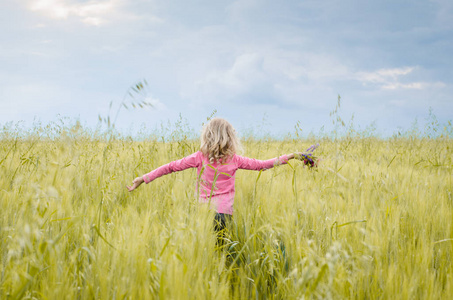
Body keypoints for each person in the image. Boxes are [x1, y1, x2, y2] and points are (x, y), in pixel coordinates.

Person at [127, 118, 306, 245]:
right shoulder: (235, 160)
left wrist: (144, 178)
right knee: (221, 251)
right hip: (224, 215)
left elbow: (171, 167)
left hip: (203, 213)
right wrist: (291, 156)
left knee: (204, 250)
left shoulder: (199, 157)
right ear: (230, 138)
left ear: (208, 136)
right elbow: (263, 165)